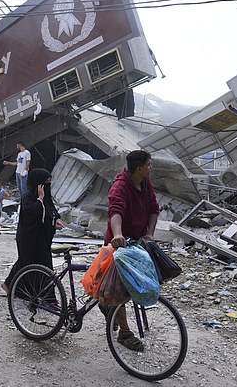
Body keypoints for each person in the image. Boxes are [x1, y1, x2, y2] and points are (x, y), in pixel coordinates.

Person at [101, 150, 160, 352]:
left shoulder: (144, 183)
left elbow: (154, 209)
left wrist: (150, 233)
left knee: (138, 283)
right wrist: (118, 234)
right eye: (149, 165)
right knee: (119, 289)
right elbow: (115, 212)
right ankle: (124, 333)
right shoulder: (120, 187)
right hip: (119, 244)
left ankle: (107, 305)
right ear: (140, 168)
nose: (151, 168)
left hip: (138, 242)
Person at [1, 168, 59, 295]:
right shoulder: (28, 197)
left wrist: (54, 221)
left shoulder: (46, 196)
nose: (47, 186)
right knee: (27, 263)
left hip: (41, 239)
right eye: (45, 182)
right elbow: (33, 213)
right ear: (37, 183)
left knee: (41, 265)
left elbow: (50, 211)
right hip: (29, 238)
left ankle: (40, 294)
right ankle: (14, 287)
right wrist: (40, 199)